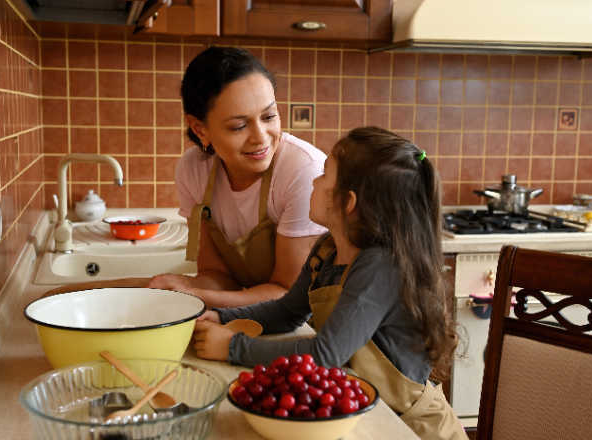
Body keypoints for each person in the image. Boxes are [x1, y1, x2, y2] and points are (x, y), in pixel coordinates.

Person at [192, 127, 466, 439]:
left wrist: (232, 347)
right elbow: (286, 312)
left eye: (324, 175)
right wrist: (225, 319)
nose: (314, 181)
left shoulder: (380, 267)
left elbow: (325, 356)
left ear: (349, 202)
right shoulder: (327, 250)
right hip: (366, 416)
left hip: (412, 427)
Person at [148, 46, 327, 308]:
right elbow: (218, 277)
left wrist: (197, 296)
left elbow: (291, 295)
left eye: (269, 116)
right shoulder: (193, 170)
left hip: (311, 324)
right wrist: (175, 289)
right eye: (239, 126)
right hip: (253, 314)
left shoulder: (303, 170)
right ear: (200, 129)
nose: (261, 137)